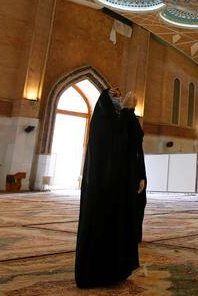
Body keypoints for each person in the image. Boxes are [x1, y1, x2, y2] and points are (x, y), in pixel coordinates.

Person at [75, 88, 147, 288]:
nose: (118, 98)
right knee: (103, 228)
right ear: (105, 101)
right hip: (103, 189)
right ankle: (97, 272)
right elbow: (116, 141)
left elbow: (134, 142)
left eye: (119, 95)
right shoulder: (101, 121)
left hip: (120, 187)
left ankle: (116, 269)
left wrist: (140, 174)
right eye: (113, 96)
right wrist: (127, 112)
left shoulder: (119, 119)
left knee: (120, 226)